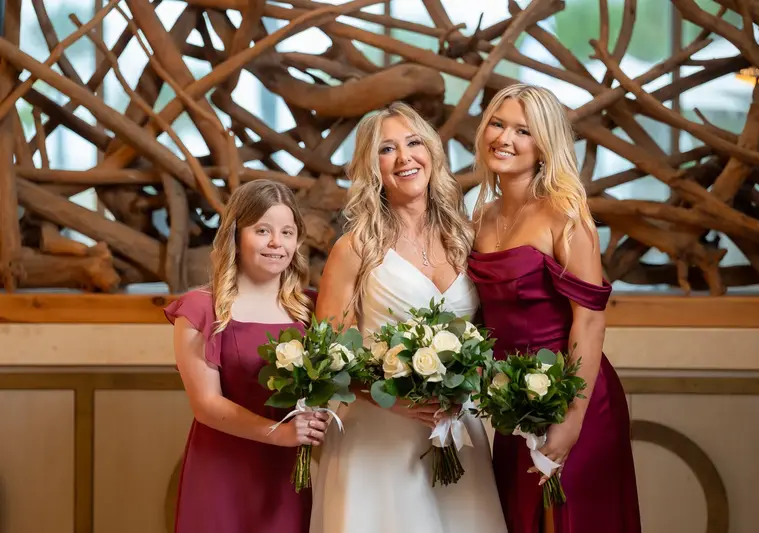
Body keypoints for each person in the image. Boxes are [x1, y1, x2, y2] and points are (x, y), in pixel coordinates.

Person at [310, 102, 507, 533]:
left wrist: (470, 379)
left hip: (457, 433)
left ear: (432, 152)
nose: (404, 158)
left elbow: (491, 334)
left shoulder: (467, 239)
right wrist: (389, 398)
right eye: (387, 149)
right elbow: (328, 359)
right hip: (378, 440)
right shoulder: (355, 249)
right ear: (372, 167)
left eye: (414, 142)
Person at [467, 83, 641, 533]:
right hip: (512, 403)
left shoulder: (565, 215)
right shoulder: (480, 218)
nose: (504, 138)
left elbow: (590, 320)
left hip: (573, 396)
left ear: (544, 144)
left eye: (522, 130)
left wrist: (572, 419)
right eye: (497, 124)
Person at [164, 179, 331, 533]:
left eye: (287, 232)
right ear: (236, 236)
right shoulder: (200, 309)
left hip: (285, 477)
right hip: (221, 473)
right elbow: (206, 405)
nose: (277, 243)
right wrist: (281, 433)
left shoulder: (312, 310)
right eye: (263, 230)